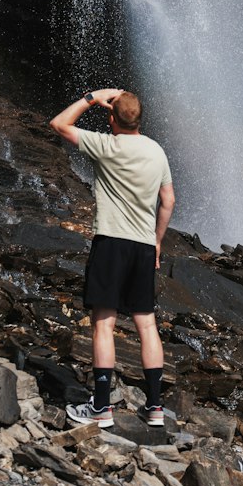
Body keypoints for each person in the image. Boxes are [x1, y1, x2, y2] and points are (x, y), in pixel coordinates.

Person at [48, 86, 175, 428]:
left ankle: (101, 408)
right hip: (143, 246)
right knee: (146, 324)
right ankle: (155, 407)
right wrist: (157, 242)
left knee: (103, 323)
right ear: (140, 119)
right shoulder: (156, 151)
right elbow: (168, 201)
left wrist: (91, 97)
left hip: (111, 242)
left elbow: (59, 124)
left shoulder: (106, 145)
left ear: (111, 118)